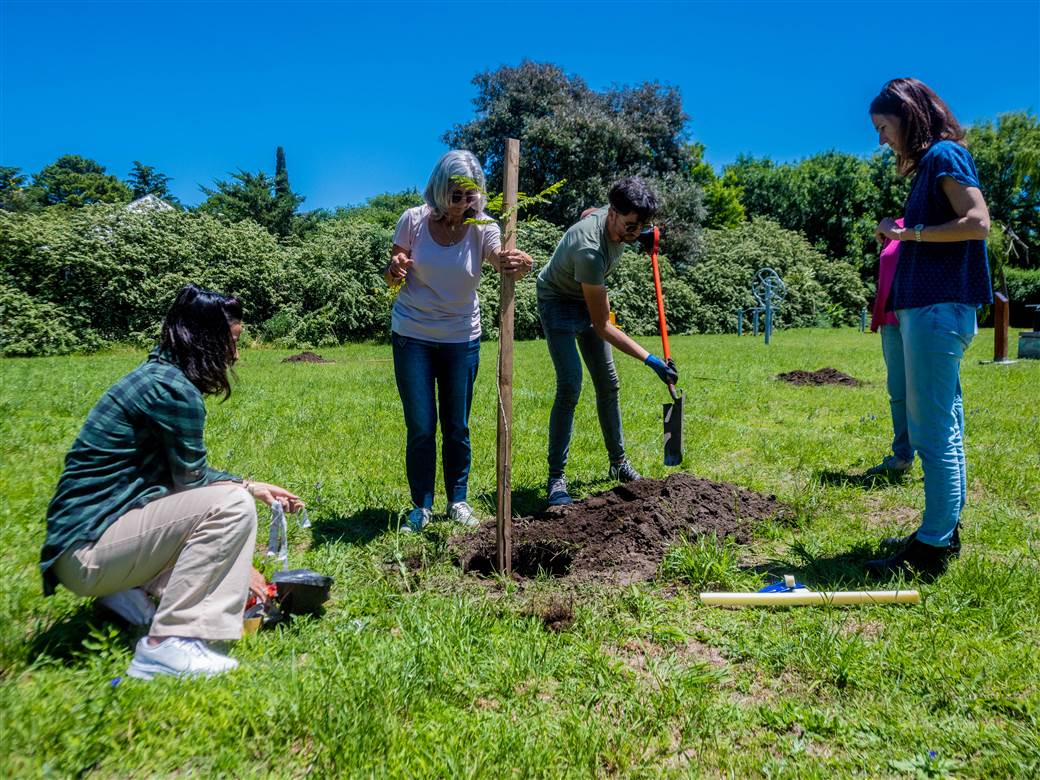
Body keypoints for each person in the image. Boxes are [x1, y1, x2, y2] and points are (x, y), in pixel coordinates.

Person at [40, 284, 304, 680]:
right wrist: (242, 514)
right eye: (231, 342)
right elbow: (193, 485)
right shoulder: (173, 390)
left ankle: (127, 598)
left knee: (231, 499)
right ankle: (169, 645)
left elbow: (176, 480)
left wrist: (250, 483)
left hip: (78, 545)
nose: (235, 354)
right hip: (88, 551)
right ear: (205, 340)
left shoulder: (155, 377)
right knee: (231, 506)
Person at [866, 77, 991, 579]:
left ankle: (933, 547)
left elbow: (977, 221)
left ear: (908, 114)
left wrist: (907, 232)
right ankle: (944, 529)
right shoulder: (933, 165)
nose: (881, 140)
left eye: (883, 128)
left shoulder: (944, 156)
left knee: (933, 432)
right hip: (934, 310)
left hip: (938, 310)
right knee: (945, 425)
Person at [384, 150, 533, 533]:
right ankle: (421, 506)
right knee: (420, 424)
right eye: (456, 196)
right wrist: (396, 268)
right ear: (438, 190)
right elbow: (393, 275)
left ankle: (458, 500)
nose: (463, 205)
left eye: (470, 196)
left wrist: (517, 263)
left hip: (461, 338)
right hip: (412, 334)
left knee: (457, 425)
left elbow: (499, 260)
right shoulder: (413, 221)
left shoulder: (484, 227)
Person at [535, 177, 678, 506]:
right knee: (571, 383)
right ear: (613, 213)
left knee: (609, 383)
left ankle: (619, 463)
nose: (633, 234)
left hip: (587, 294)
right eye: (630, 226)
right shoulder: (589, 251)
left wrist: (645, 234)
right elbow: (602, 325)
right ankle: (556, 478)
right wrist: (651, 360)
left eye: (640, 226)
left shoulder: (614, 218)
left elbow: (589, 212)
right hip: (557, 300)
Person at [866, 217, 915, 481]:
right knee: (898, 390)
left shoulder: (931, 225)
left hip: (919, 317)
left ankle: (939, 462)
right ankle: (902, 456)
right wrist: (886, 231)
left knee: (928, 393)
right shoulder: (893, 224)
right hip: (891, 320)